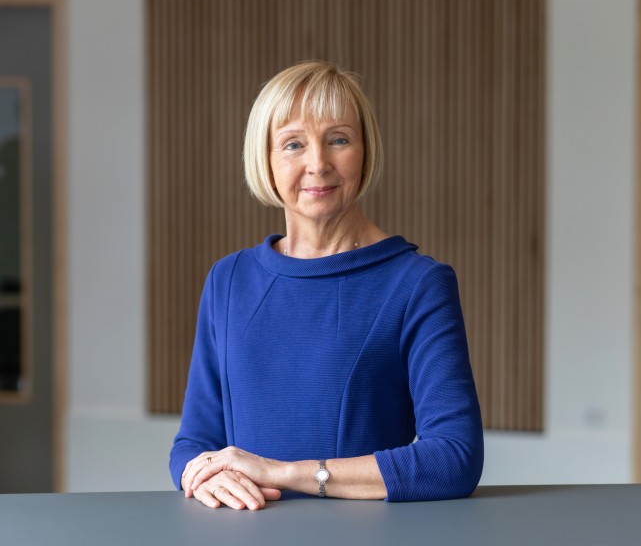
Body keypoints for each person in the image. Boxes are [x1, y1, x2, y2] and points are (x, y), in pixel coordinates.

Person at [170, 61, 483, 510]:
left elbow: (454, 458)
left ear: (365, 150)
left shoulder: (418, 284)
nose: (318, 163)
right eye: (293, 144)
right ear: (266, 159)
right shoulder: (229, 279)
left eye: (339, 139)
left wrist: (285, 473)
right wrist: (199, 476)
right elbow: (194, 441)